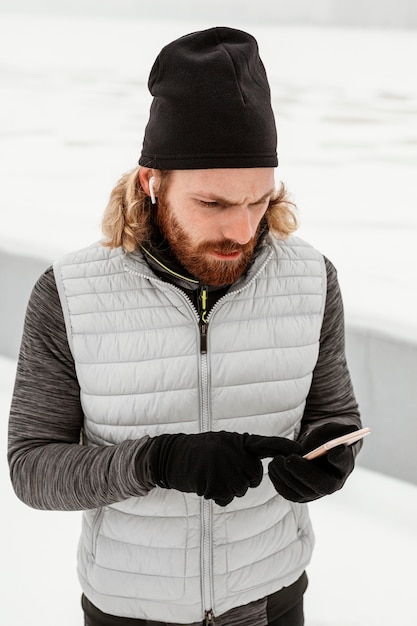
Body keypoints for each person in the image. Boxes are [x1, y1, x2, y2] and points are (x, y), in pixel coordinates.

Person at [8, 27, 362, 626]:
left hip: (273, 599)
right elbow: (33, 469)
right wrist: (158, 462)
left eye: (257, 201)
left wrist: (331, 456)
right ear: (151, 182)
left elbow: (337, 416)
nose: (243, 231)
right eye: (214, 205)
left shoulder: (311, 278)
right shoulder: (67, 293)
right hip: (129, 610)